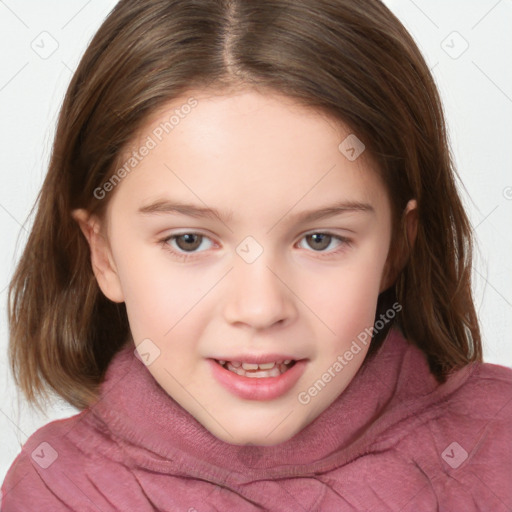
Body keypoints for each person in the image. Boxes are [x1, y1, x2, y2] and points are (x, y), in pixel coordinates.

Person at [2, 0, 511, 510]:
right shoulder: (55, 490)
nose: (260, 308)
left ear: (397, 247)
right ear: (104, 255)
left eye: (320, 239)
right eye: (189, 241)